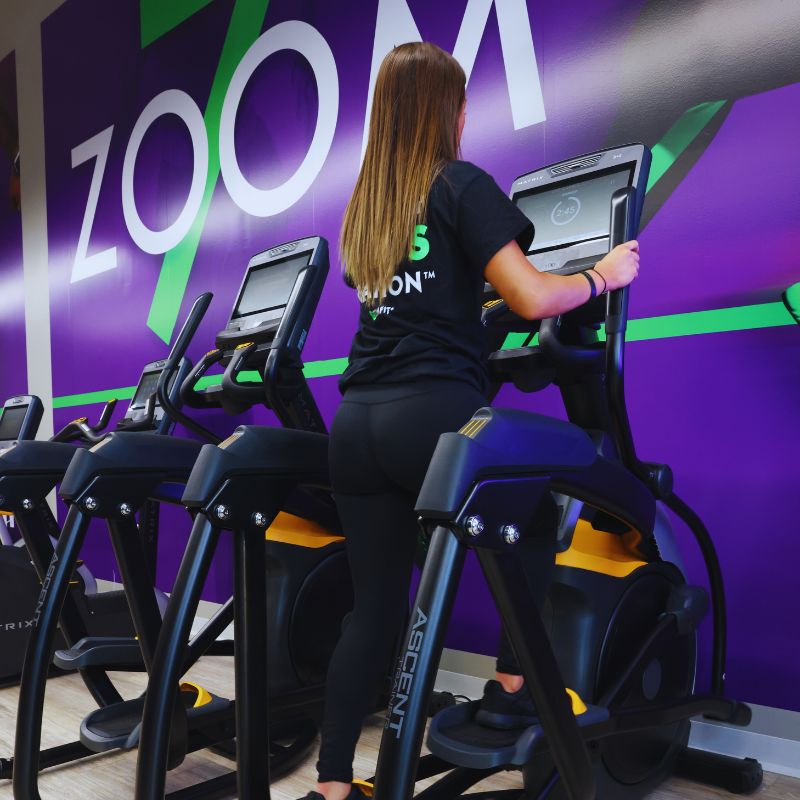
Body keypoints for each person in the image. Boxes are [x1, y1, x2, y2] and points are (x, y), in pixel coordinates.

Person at [301, 41, 640, 800]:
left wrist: (472, 321)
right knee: (544, 505)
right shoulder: (461, 183)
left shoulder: (370, 210)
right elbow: (530, 298)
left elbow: (424, 307)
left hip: (356, 426)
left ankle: (330, 786)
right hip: (433, 417)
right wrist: (601, 275)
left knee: (374, 608)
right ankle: (515, 683)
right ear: (448, 113)